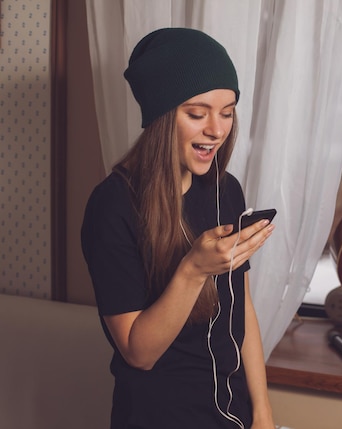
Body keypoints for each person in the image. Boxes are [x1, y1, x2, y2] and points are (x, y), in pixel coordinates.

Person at [81, 28, 276, 429]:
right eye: (196, 113)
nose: (217, 130)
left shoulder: (226, 190)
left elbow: (243, 310)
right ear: (160, 115)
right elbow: (139, 352)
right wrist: (194, 269)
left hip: (233, 415)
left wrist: (262, 413)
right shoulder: (112, 206)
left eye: (227, 111)